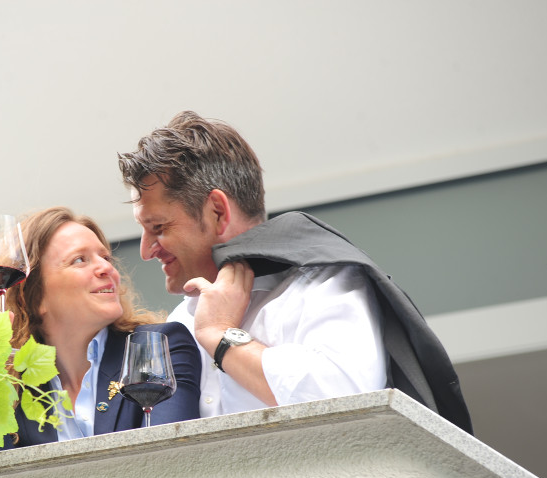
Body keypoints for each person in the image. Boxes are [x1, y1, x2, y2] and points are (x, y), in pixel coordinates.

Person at [117, 111, 472, 433]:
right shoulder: (180, 323)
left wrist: (223, 337)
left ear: (217, 212)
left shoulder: (324, 284)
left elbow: (346, 398)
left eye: (159, 227)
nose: (147, 250)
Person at [0, 207, 202, 455]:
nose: (106, 269)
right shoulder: (12, 383)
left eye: (106, 258)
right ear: (33, 296)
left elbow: (172, 457)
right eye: (79, 260)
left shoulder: (159, 346)